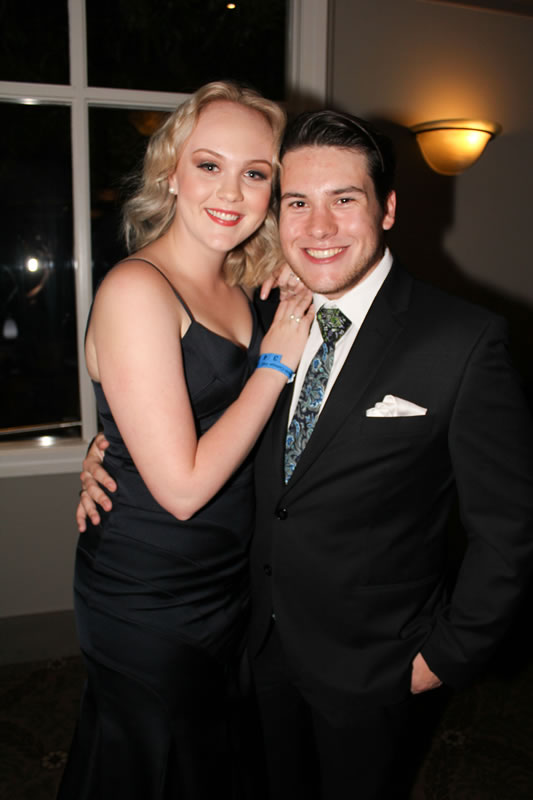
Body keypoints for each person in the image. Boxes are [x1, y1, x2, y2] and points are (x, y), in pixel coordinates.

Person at [76, 109, 533, 799]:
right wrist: (107, 448)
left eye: (343, 200)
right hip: (246, 636)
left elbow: (508, 527)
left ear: (386, 209)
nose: (318, 227)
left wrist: (447, 653)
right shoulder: (264, 310)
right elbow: (181, 404)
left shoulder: (462, 341)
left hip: (373, 660)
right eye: (297, 202)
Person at [58, 80, 314, 800]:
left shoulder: (245, 285)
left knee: (209, 761)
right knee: (153, 761)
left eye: (255, 172)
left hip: (228, 577)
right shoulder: (137, 290)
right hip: (149, 588)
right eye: (208, 165)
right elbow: (179, 488)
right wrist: (274, 364)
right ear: (171, 173)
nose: (231, 191)